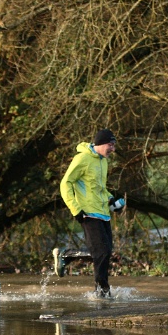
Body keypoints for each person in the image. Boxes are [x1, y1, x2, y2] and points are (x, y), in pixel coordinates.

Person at [59, 128, 125, 298]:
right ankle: (102, 291)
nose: (113, 149)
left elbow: (99, 188)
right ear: (101, 144)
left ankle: (67, 255)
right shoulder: (82, 159)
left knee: (105, 251)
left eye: (114, 145)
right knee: (102, 251)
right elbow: (65, 184)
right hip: (87, 212)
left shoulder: (103, 162)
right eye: (110, 145)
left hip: (103, 212)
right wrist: (75, 209)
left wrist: (111, 200)